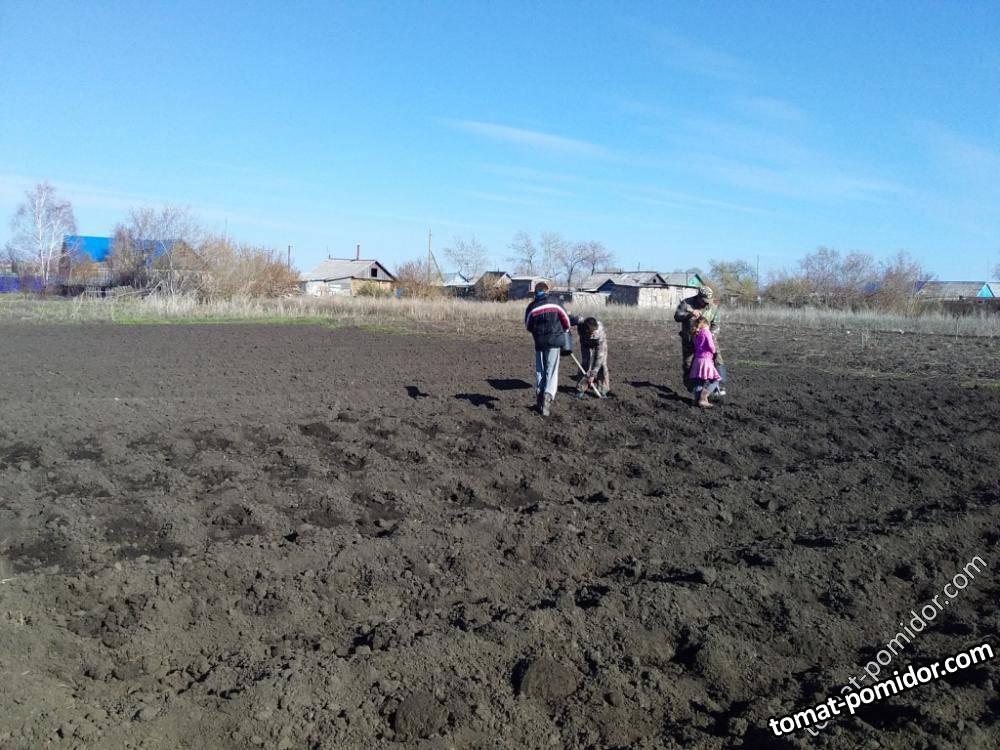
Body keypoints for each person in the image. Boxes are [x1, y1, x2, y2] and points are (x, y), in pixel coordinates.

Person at [525, 281, 571, 416]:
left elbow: (528, 325)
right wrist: (564, 330)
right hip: (554, 341)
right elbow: (566, 321)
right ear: (547, 291)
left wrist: (537, 332)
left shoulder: (531, 307)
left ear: (535, 292)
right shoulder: (556, 303)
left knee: (540, 371)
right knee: (552, 370)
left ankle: (539, 396)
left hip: (539, 342)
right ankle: (548, 396)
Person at [673, 286, 725, 395]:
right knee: (688, 364)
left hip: (707, 340)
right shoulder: (686, 303)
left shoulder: (713, 307)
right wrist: (690, 314)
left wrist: (709, 337)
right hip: (689, 340)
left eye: (708, 301)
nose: (706, 303)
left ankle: (720, 386)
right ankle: (692, 387)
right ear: (699, 297)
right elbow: (677, 316)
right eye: (704, 301)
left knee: (718, 360)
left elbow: (716, 325)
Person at [569, 315, 610, 398]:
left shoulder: (600, 333)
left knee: (602, 365)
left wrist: (593, 374)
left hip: (599, 343)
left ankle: (603, 390)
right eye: (590, 333)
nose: (592, 335)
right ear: (586, 329)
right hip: (585, 343)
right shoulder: (580, 321)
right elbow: (565, 319)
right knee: (585, 363)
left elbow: (599, 357)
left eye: (593, 333)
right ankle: (581, 388)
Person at [689, 316, 722, 408]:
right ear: (706, 324)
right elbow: (711, 345)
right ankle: (704, 395)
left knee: (699, 380)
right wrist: (714, 352)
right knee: (715, 380)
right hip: (706, 360)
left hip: (697, 360)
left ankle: (697, 400)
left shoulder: (696, 333)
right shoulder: (706, 332)